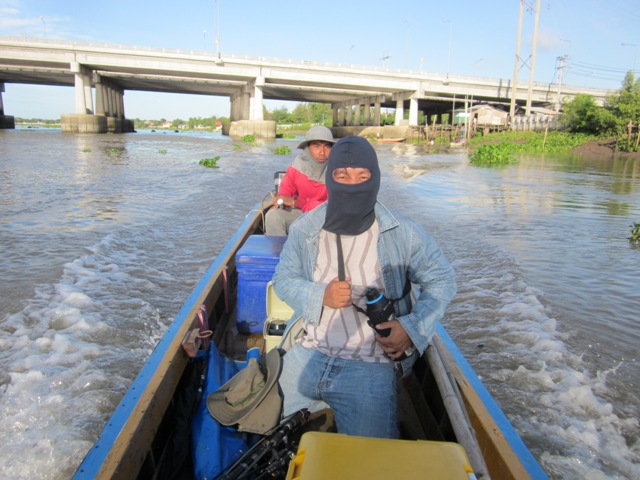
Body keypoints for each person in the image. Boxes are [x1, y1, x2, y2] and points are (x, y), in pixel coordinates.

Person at [272, 135, 457, 439]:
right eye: (342, 176)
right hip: (309, 351)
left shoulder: (403, 233)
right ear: (330, 178)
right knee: (257, 430)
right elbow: (283, 280)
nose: (352, 185)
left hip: (369, 363)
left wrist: (411, 328)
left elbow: (442, 280)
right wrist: (320, 295)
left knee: (370, 462)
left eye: (363, 177)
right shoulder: (305, 229)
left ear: (376, 179)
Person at [265, 126, 336, 236]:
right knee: (273, 216)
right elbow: (286, 189)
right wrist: (281, 199)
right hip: (301, 214)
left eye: (327, 146)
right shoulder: (297, 166)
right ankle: (283, 252)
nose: (322, 152)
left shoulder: (339, 171)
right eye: (316, 146)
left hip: (327, 219)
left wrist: (296, 202)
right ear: (307, 147)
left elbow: (333, 207)